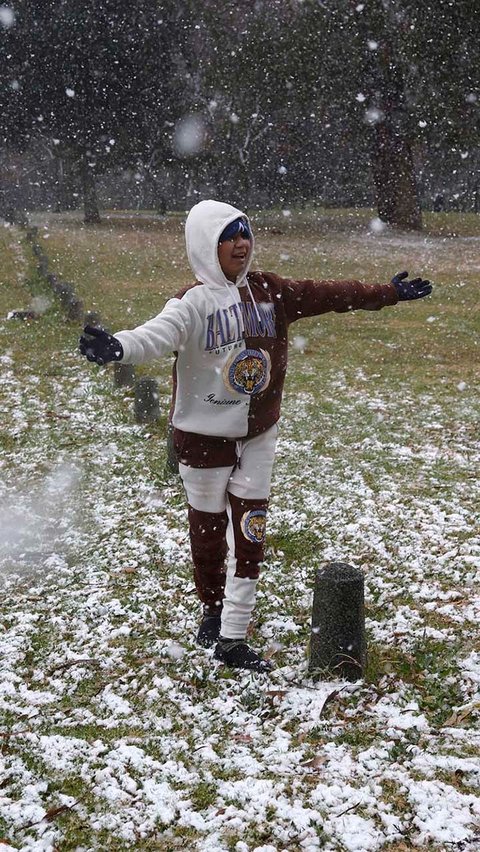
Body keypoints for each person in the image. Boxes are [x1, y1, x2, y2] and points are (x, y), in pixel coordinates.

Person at [79, 199, 432, 672]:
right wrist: (118, 346)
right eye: (229, 236)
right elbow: (155, 335)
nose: (241, 244)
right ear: (207, 245)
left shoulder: (272, 292)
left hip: (259, 434)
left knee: (251, 531)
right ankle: (212, 610)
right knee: (206, 534)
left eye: (245, 233)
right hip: (203, 439)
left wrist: (385, 293)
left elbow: (329, 293)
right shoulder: (192, 304)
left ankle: (233, 637)